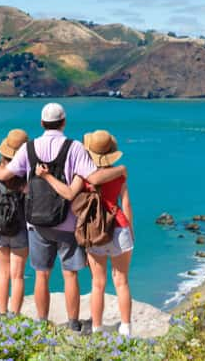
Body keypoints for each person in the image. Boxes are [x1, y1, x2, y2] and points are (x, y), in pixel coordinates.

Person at [0, 103, 126, 332]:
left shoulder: (29, 148)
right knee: (70, 274)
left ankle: (42, 321)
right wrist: (121, 171)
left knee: (42, 274)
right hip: (67, 221)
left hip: (36, 222)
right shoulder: (75, 147)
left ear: (41, 123)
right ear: (64, 122)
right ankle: (73, 323)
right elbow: (95, 177)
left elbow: (4, 174)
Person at [36, 130, 133, 336]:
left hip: (93, 232)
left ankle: (97, 328)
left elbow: (71, 197)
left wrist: (47, 176)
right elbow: (126, 205)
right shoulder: (119, 175)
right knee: (122, 281)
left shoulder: (83, 177)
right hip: (119, 227)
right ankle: (126, 328)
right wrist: (130, 231)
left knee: (97, 283)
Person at [0, 129, 29, 315]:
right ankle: (15, 315)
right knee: (17, 275)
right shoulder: (26, 174)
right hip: (20, 229)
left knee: (3, 273)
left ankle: (2, 312)